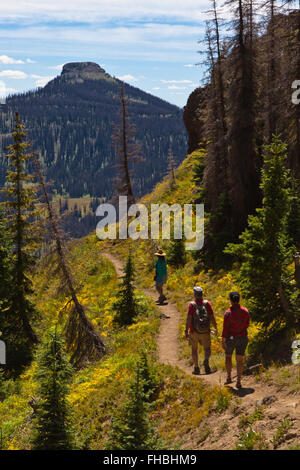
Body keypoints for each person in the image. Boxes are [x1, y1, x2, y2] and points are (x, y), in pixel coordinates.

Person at [185, 286, 218, 375]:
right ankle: (206, 360)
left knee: (194, 349)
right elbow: (212, 317)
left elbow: (189, 318)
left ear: (194, 294)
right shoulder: (207, 304)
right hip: (206, 331)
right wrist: (215, 328)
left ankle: (196, 367)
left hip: (193, 331)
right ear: (202, 294)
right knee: (207, 348)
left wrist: (186, 330)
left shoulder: (191, 305)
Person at [222, 292, 250, 389]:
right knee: (240, 360)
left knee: (228, 357)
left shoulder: (228, 313)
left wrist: (223, 339)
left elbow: (225, 328)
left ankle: (229, 377)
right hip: (242, 337)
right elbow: (247, 324)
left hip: (231, 338)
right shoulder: (245, 311)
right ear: (239, 299)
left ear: (230, 300)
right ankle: (238, 381)